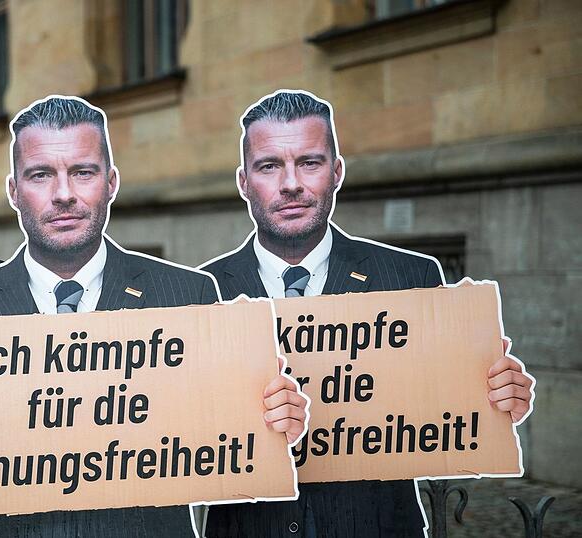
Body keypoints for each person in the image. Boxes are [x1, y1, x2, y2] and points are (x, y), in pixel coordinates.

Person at [0, 96, 309, 537]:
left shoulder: (188, 296)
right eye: (41, 174)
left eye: (82, 172)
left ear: (111, 182)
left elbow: (234, 454)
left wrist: (274, 425)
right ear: (14, 190)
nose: (63, 194)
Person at [200, 90, 534, 537]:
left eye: (309, 162)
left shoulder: (409, 277)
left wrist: (493, 395)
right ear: (244, 182)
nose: (291, 183)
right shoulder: (200, 294)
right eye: (269, 166)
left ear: (336, 172)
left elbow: (447, 410)